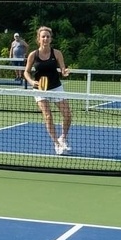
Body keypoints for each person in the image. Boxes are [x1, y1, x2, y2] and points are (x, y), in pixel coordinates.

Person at [23, 26, 72, 155]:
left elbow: (62, 69)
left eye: (48, 36)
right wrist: (32, 82)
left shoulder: (56, 53)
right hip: (40, 89)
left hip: (56, 87)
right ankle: (56, 144)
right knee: (48, 116)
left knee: (68, 115)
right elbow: (26, 72)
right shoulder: (33, 55)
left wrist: (65, 72)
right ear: (38, 39)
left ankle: (63, 138)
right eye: (43, 36)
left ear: (51, 39)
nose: (45, 38)